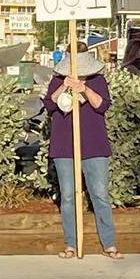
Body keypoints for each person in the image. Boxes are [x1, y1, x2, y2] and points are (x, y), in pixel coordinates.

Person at [44, 45, 122, 260]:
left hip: (94, 145)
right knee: (68, 196)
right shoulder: (58, 80)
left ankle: (109, 243)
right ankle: (71, 243)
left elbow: (102, 105)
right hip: (64, 146)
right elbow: (49, 106)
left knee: (100, 195)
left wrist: (85, 89)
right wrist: (63, 88)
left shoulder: (98, 80)